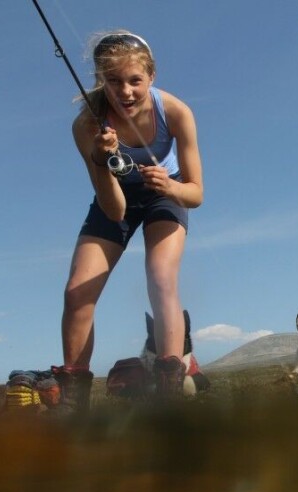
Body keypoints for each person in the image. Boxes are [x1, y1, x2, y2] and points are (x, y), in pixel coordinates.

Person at [53, 31, 203, 412]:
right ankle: (74, 402)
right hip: (115, 198)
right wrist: (102, 162)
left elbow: (196, 194)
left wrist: (169, 186)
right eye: (114, 81)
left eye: (135, 80)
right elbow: (115, 210)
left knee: (161, 277)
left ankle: (169, 393)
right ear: (101, 81)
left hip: (165, 194)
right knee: (76, 292)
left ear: (152, 75)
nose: (126, 91)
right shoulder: (86, 126)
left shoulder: (176, 112)